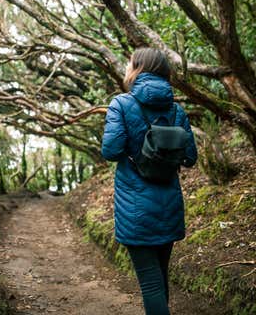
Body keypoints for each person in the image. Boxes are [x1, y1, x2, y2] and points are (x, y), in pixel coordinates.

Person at [101, 47, 197, 315]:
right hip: (169, 206)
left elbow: (111, 151)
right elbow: (190, 157)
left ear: (137, 68)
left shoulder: (121, 104)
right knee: (160, 278)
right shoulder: (176, 110)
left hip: (135, 209)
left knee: (150, 284)